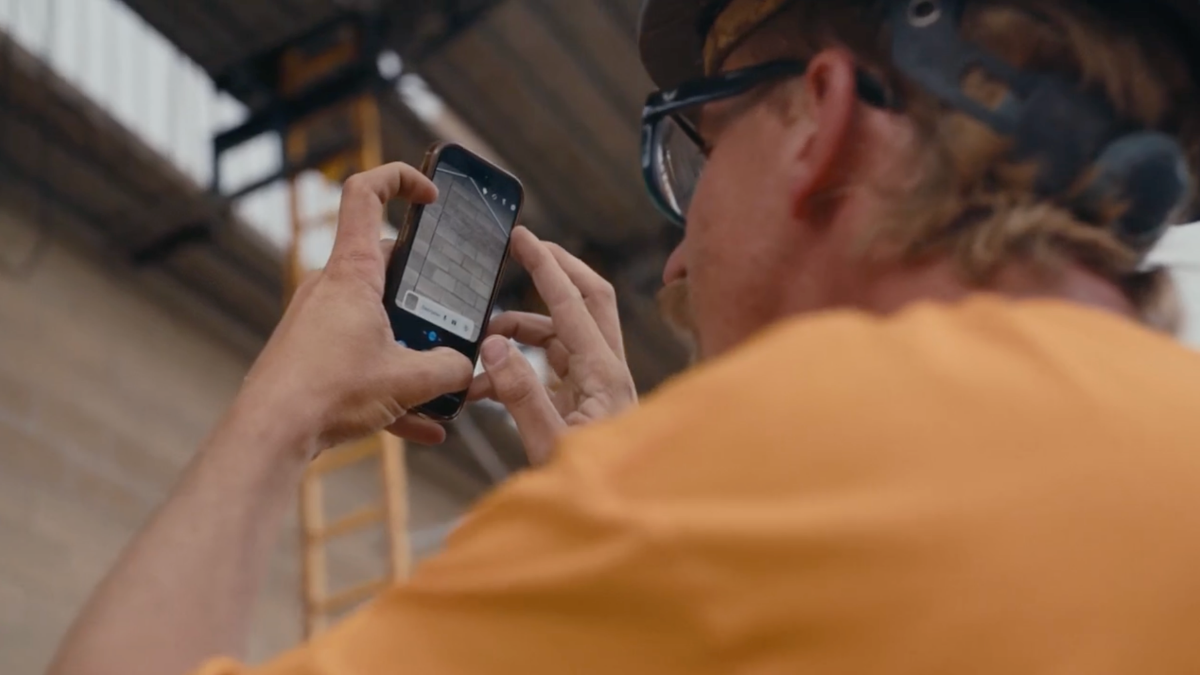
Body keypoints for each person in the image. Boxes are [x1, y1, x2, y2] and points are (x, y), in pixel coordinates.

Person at [47, 0, 1200, 674]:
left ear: (822, 121)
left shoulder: (735, 502)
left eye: (694, 147)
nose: (682, 263)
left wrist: (282, 407)